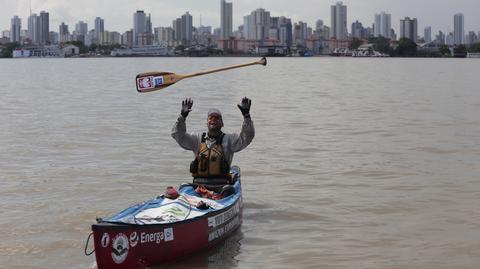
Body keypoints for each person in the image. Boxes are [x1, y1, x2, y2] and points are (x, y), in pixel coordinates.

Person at [171, 97, 255, 190]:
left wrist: (246, 116)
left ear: (222, 124)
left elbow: (247, 137)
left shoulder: (229, 139)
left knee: (228, 190)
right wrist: (182, 116)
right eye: (211, 118)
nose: (213, 120)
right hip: (199, 185)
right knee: (184, 187)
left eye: (217, 118)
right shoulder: (197, 139)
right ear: (207, 123)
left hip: (222, 186)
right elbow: (177, 135)